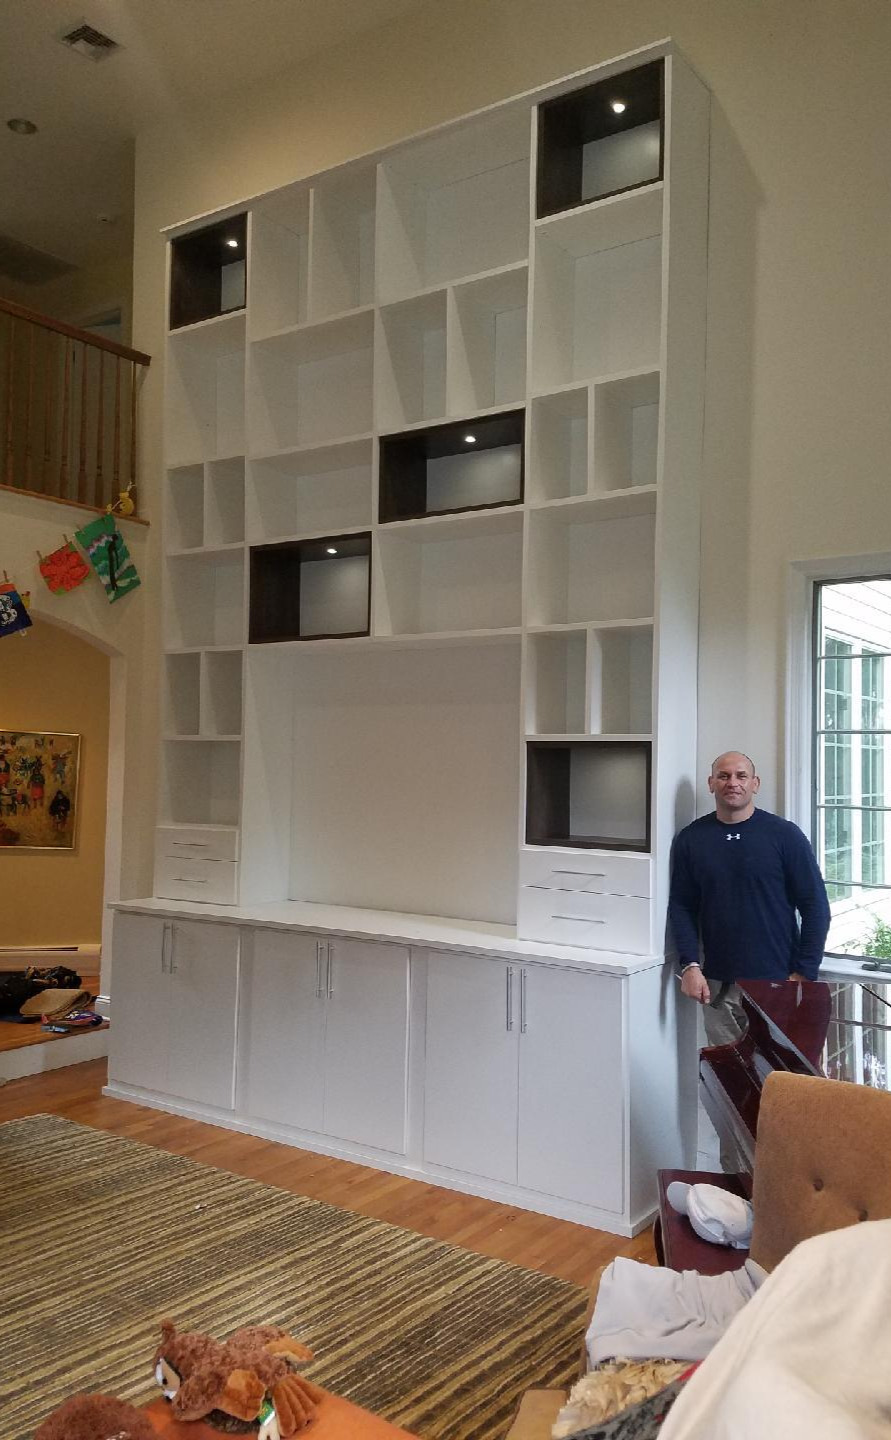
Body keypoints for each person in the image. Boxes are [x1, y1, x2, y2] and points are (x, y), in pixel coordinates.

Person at [669, 752, 831, 1049]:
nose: (732, 782)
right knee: (726, 1073)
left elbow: (816, 907)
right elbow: (682, 906)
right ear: (711, 783)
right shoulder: (693, 838)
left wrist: (803, 974)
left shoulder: (785, 835)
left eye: (741, 776)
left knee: (779, 1073)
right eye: (724, 776)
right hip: (717, 986)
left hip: (778, 983)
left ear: (755, 783)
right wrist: (690, 965)